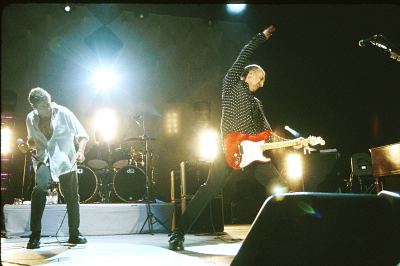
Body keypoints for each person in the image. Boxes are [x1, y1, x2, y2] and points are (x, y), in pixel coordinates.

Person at [169, 25, 300, 251]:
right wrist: (261, 37)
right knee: (209, 189)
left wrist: (293, 143)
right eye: (260, 79)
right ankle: (178, 233)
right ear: (249, 75)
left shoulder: (257, 104)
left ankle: (273, 233)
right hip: (228, 150)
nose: (262, 84)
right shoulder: (231, 85)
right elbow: (243, 55)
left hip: (253, 154)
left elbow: (268, 134)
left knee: (280, 186)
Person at [21, 87, 89, 249]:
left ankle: (74, 234)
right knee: (40, 190)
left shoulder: (64, 112)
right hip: (43, 159)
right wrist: (25, 146)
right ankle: (35, 235)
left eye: (49, 101)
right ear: (35, 107)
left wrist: (80, 151)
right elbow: (32, 141)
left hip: (65, 160)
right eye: (43, 104)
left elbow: (82, 135)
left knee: (72, 196)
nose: (48, 105)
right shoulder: (30, 119)